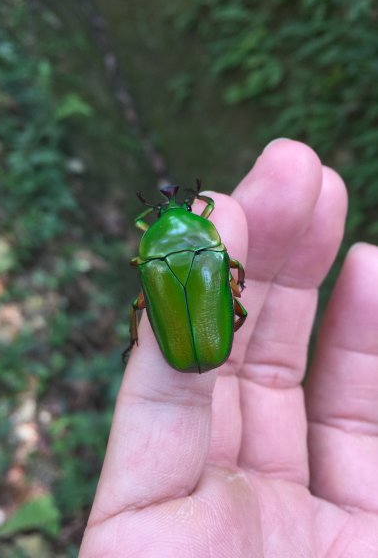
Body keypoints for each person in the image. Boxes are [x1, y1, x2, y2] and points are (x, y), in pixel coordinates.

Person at [80, 139, 378, 557]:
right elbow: (220, 232)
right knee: (232, 306)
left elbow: (141, 224)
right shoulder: (211, 238)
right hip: (212, 331)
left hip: (180, 336)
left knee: (138, 306)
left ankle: (137, 341)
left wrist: (157, 216)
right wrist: (204, 216)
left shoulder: (149, 253)